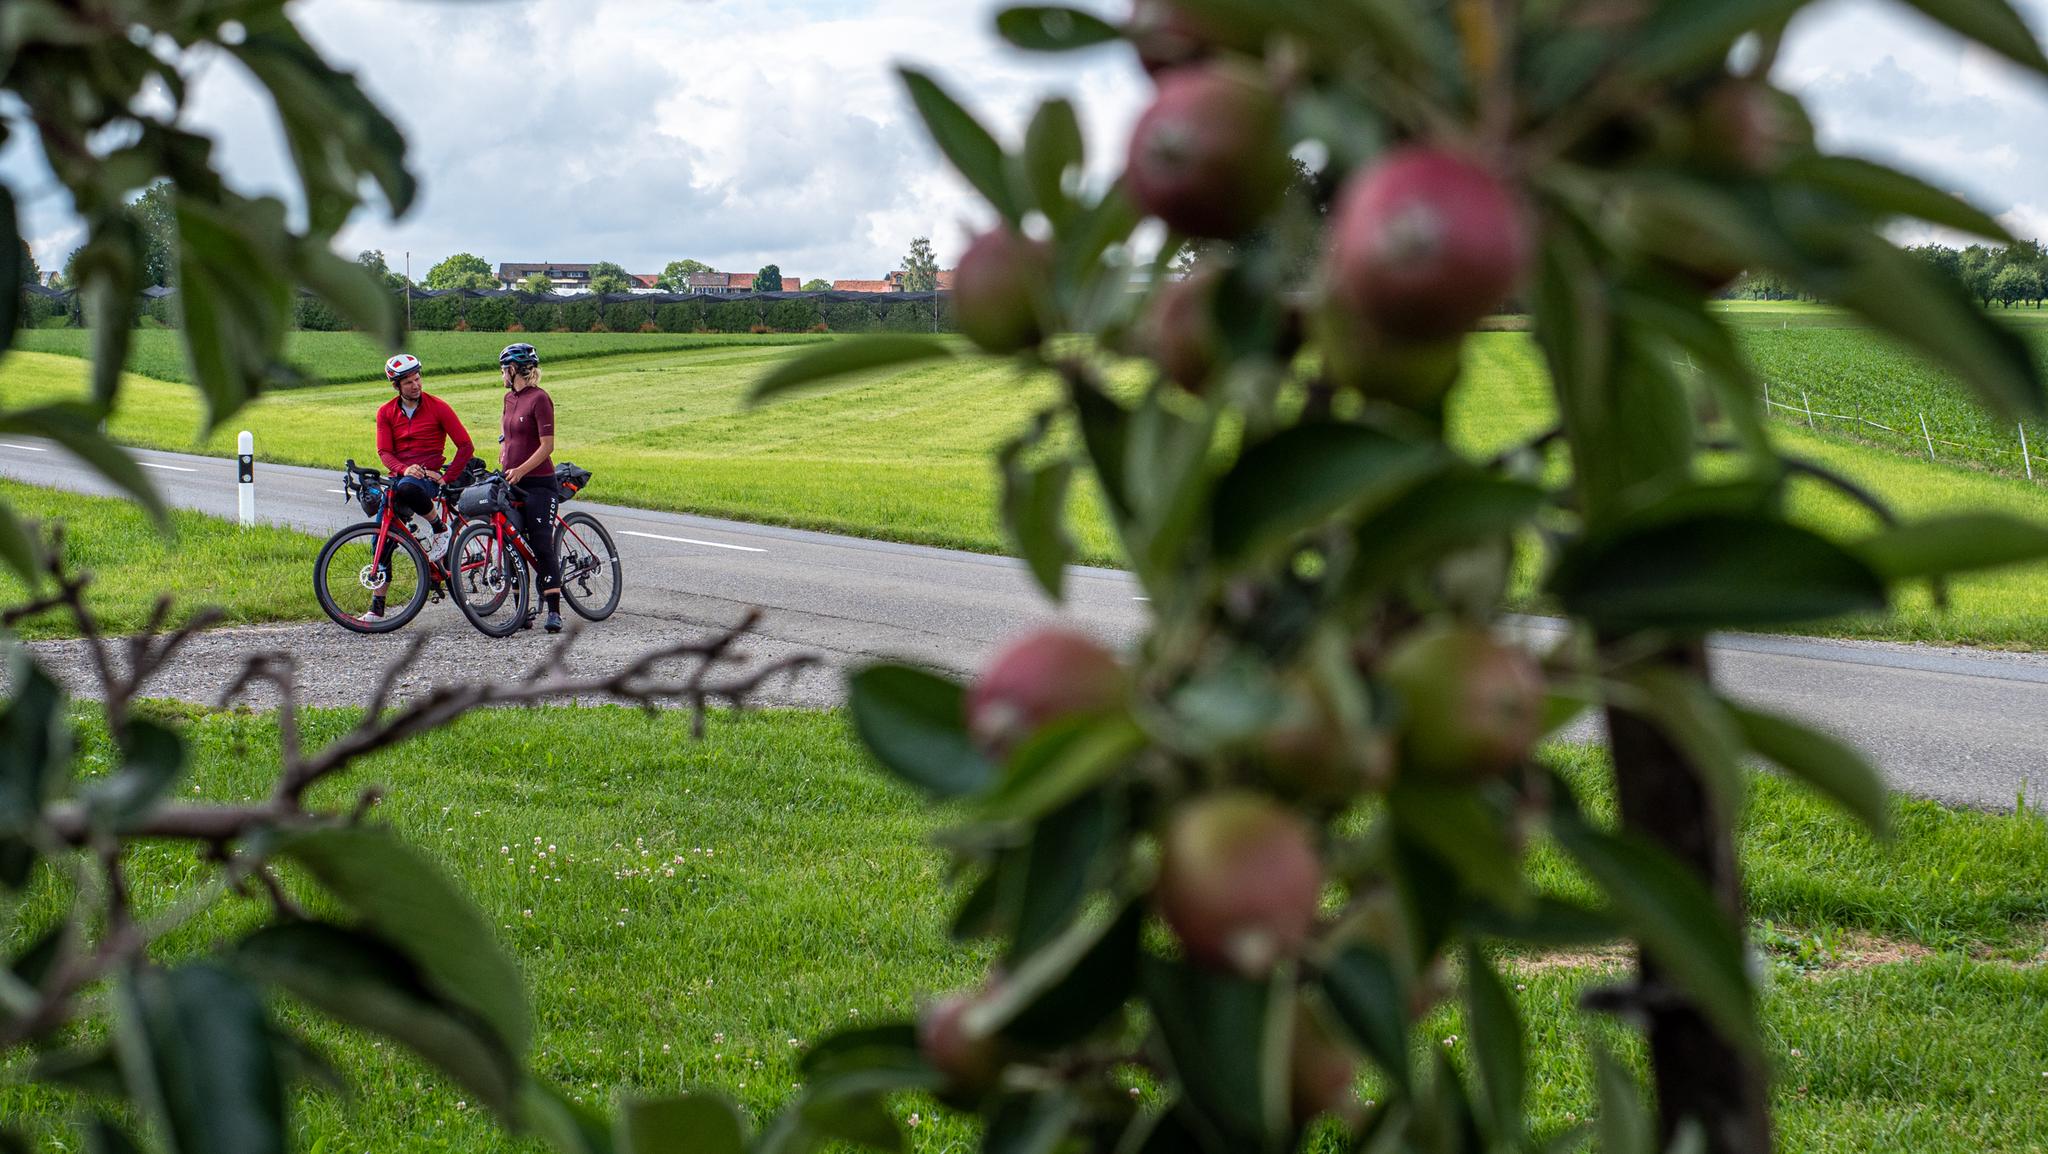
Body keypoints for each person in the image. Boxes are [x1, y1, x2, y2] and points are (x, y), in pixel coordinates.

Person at [367, 352, 474, 622]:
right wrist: (404, 468)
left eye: (418, 379)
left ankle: (440, 528)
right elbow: (384, 452)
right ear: (397, 386)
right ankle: (377, 606)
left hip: (427, 479)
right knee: (380, 538)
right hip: (402, 478)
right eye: (409, 382)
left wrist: (447, 477)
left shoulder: (438, 407)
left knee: (408, 488)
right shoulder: (386, 412)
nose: (416, 385)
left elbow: (465, 445)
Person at [498, 342, 563, 633]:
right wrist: (502, 454)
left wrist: (522, 469)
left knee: (540, 542)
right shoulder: (509, 398)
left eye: (503, 369)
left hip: (539, 484)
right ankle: (520, 610)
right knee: (510, 542)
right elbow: (506, 433)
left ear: (514, 370)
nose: (501, 374)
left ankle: (554, 610)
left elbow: (547, 446)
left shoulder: (540, 399)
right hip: (512, 481)